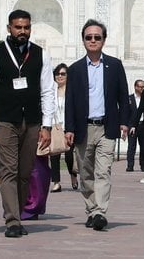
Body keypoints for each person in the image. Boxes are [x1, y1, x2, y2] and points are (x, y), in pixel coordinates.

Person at [0, 10, 55, 238]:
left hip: (32, 121)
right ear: (9, 28)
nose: (22, 31)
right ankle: (13, 219)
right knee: (9, 171)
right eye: (18, 27)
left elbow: (48, 91)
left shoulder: (40, 54)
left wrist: (47, 125)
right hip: (5, 120)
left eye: (26, 27)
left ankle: (16, 212)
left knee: (24, 173)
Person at [64, 19, 130, 232]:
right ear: (83, 40)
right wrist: (69, 128)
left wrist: (124, 122)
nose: (93, 41)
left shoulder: (114, 65)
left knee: (103, 171)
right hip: (84, 128)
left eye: (97, 37)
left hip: (106, 127)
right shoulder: (74, 69)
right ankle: (91, 209)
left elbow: (123, 96)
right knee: (85, 174)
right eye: (89, 37)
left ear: (104, 40)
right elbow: (70, 102)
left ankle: (100, 211)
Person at [50, 63, 78, 192]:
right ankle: (56, 182)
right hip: (55, 126)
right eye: (57, 74)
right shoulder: (51, 91)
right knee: (54, 154)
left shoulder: (72, 91)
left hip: (69, 127)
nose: (59, 76)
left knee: (68, 155)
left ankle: (73, 175)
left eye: (63, 74)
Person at [125, 78, 144, 172]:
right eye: (140, 87)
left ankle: (143, 165)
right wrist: (128, 126)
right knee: (131, 146)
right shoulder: (130, 99)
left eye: (143, 87)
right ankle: (130, 165)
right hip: (132, 126)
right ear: (135, 87)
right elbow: (127, 113)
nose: (142, 89)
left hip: (143, 125)